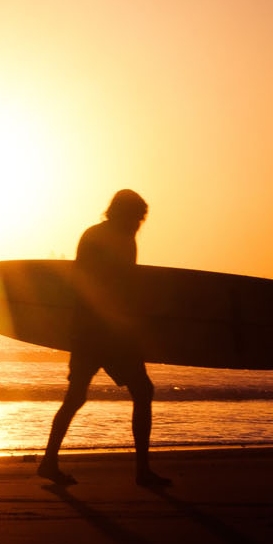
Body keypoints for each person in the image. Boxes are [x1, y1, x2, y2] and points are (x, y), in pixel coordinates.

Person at [37, 189, 171, 489]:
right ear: (122, 213)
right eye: (136, 217)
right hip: (102, 332)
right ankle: (142, 471)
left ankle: (49, 462)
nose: (139, 223)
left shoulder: (115, 236)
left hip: (92, 331)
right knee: (140, 391)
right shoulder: (104, 237)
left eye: (142, 218)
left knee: (78, 397)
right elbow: (98, 284)